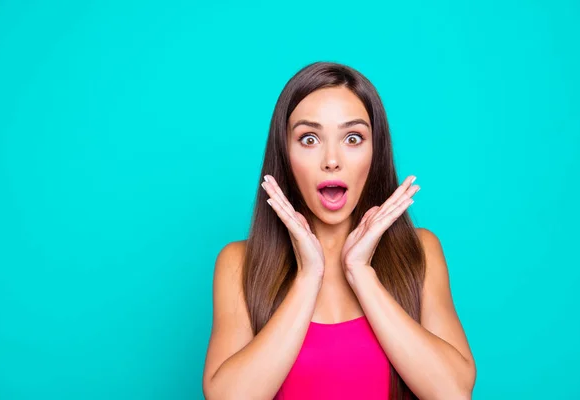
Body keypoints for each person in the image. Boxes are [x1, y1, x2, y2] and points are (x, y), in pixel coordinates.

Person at [202, 61, 476, 400]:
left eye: (352, 138)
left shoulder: (420, 252)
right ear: (284, 155)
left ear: (375, 153)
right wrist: (308, 276)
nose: (332, 160)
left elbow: (452, 392)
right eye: (309, 138)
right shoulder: (239, 264)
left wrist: (361, 272)